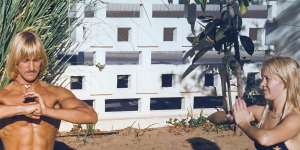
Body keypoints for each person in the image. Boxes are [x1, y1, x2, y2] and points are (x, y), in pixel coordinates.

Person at [0, 31, 98, 150]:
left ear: (42, 61)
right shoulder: (4, 96)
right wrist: (22, 109)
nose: (31, 67)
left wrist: (46, 111)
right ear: (15, 62)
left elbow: (90, 116)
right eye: (25, 60)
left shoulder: (55, 93)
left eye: (36, 60)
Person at [233, 56, 300, 150]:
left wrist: (244, 124)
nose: (261, 84)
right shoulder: (262, 113)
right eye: (262, 78)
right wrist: (229, 116)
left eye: (267, 79)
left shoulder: (296, 118)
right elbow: (215, 117)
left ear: (286, 81)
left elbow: (265, 139)